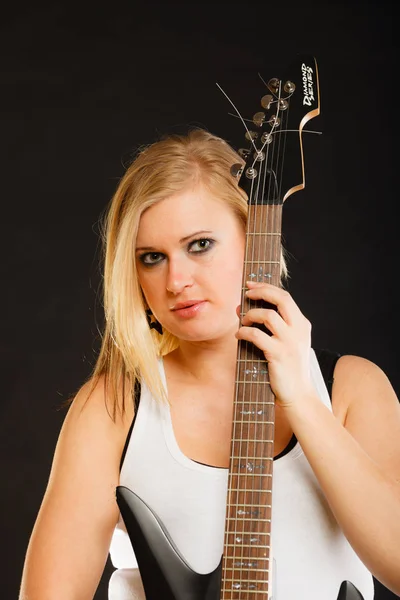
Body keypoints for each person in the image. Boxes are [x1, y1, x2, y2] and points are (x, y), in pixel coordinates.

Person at [19, 129, 400, 600]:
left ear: (256, 238)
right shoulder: (113, 407)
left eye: (200, 245)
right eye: (152, 258)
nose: (177, 280)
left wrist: (301, 400)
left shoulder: (352, 390)